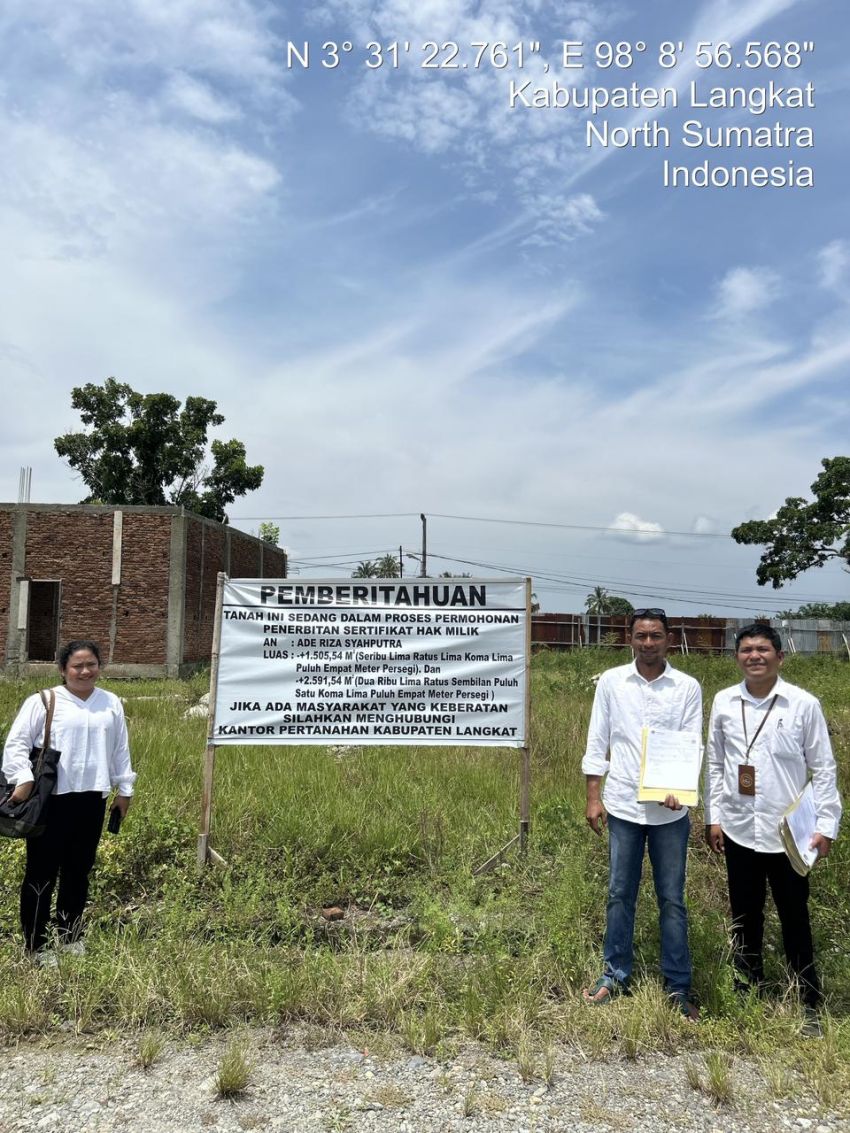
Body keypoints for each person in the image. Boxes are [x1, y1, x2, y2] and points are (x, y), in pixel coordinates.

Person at [704, 623, 841, 1028]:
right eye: (746, 650)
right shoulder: (725, 702)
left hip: (789, 835)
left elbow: (823, 768)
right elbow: (715, 764)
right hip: (739, 828)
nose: (755, 656)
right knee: (745, 915)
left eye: (763, 649)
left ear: (780, 657)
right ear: (737, 658)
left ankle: (808, 1000)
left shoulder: (802, 705)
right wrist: (714, 817)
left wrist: (827, 825)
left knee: (794, 915)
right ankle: (749, 989)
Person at [582, 608, 702, 1017]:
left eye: (655, 636)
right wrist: (593, 796)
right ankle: (614, 976)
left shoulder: (686, 687)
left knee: (672, 899)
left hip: (669, 814)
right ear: (629, 639)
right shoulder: (613, 683)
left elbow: (688, 744)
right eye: (640, 636)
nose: (648, 643)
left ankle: (677, 985)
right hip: (622, 807)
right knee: (619, 894)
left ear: (669, 638)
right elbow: (597, 739)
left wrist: (680, 789)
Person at [2, 640, 136, 965]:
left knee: (79, 870)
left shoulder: (111, 703)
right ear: (63, 670)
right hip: (52, 800)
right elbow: (16, 744)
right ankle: (37, 944)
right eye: (77, 666)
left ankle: (70, 935)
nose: (85, 671)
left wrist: (124, 790)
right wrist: (23, 778)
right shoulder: (44, 702)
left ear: (99, 666)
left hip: (92, 798)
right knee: (41, 872)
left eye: (91, 664)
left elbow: (120, 749)